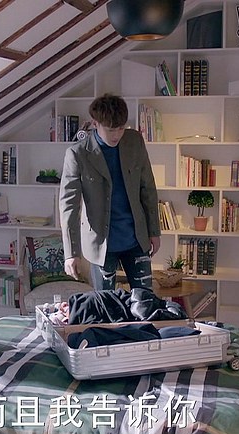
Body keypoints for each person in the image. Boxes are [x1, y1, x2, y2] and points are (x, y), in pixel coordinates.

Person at [59, 94, 161, 291]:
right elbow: (68, 206)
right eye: (111, 129)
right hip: (100, 244)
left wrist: (154, 231)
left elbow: (148, 188)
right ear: (95, 123)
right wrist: (71, 253)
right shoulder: (77, 154)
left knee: (144, 301)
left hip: (136, 238)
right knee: (105, 305)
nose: (116, 135)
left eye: (121, 128)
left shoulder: (135, 141)